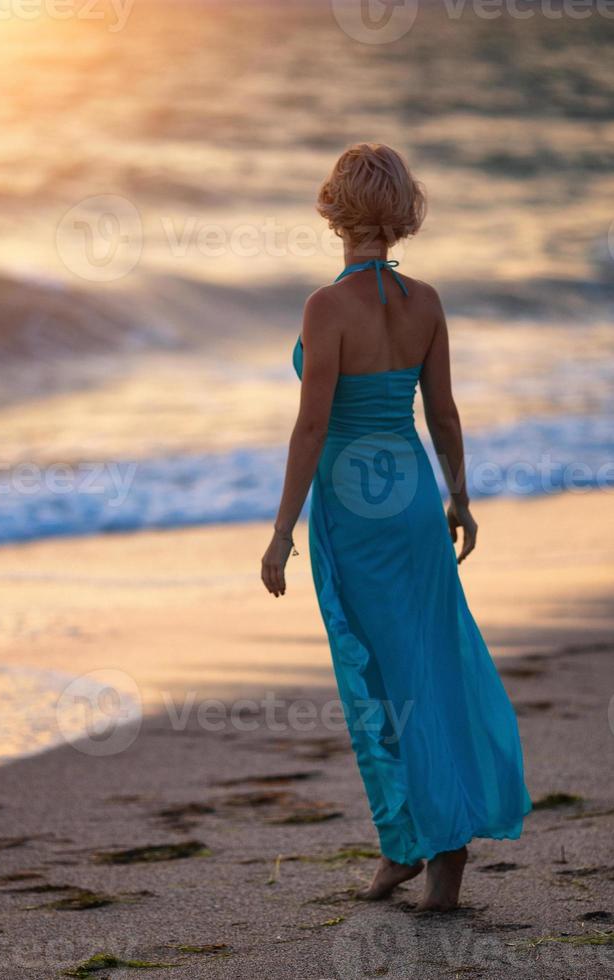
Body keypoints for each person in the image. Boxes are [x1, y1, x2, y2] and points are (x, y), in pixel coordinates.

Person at [261, 143, 532, 911]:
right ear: (404, 211)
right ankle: (439, 852)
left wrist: (282, 530)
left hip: (352, 513)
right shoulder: (428, 303)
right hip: (412, 502)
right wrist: (461, 499)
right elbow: (442, 414)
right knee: (431, 672)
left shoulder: (325, 307)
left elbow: (311, 428)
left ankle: (405, 843)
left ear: (335, 209)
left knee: (374, 682)